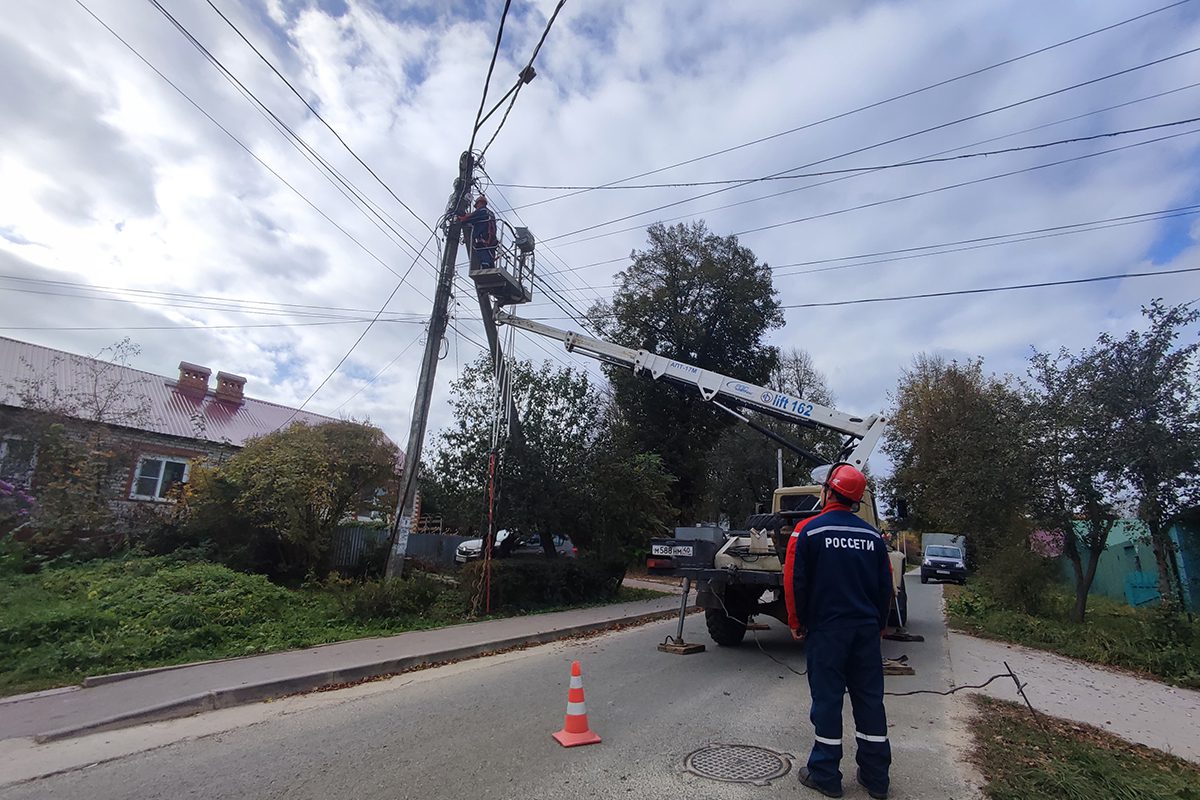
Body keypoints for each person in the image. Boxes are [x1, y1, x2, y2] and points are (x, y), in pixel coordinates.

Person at [784, 463, 894, 800]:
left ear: (828, 492)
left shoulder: (807, 531)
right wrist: (879, 626)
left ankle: (825, 775)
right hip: (864, 631)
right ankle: (876, 779)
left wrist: (796, 621)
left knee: (828, 700)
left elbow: (793, 582)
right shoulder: (873, 537)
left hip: (827, 631)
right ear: (855, 501)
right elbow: (885, 586)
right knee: (870, 701)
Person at [456, 194, 498, 269]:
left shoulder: (482, 211)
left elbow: (471, 218)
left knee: (480, 249)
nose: (476, 207)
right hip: (492, 238)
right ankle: (490, 265)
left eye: (477, 205)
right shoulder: (490, 213)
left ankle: (486, 264)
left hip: (483, 235)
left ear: (480, 203)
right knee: (490, 252)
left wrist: (460, 218)